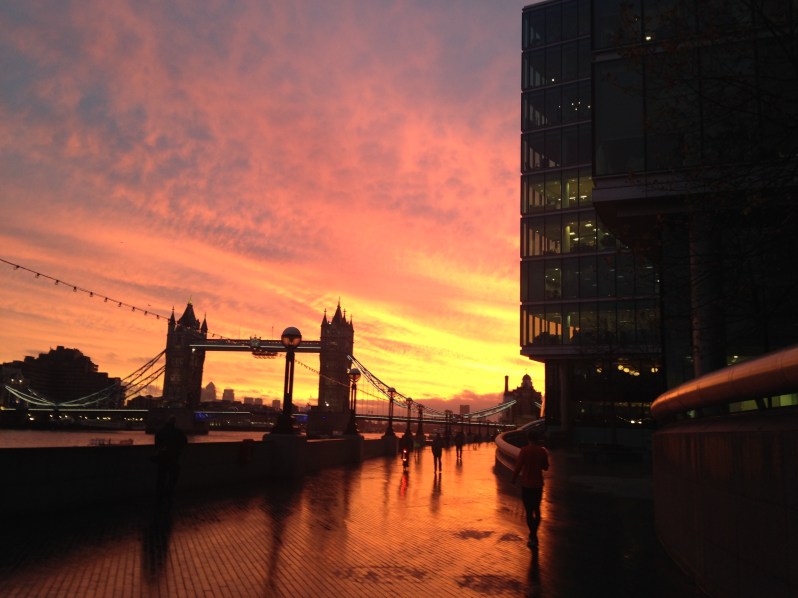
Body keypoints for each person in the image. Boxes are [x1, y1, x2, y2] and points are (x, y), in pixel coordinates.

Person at [511, 429, 549, 548]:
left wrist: (513, 479)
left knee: (528, 512)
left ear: (528, 439)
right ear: (537, 439)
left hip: (526, 484)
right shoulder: (542, 451)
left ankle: (532, 536)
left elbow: (518, 467)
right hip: (538, 484)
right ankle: (534, 535)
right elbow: (546, 467)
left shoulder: (524, 451)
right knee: (537, 510)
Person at [154, 415, 188, 502]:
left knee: (161, 477)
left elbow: (157, 444)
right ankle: (169, 493)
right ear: (174, 423)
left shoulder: (160, 432)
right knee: (173, 477)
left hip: (162, 457)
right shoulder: (178, 432)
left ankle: (159, 494)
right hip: (174, 457)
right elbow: (184, 442)